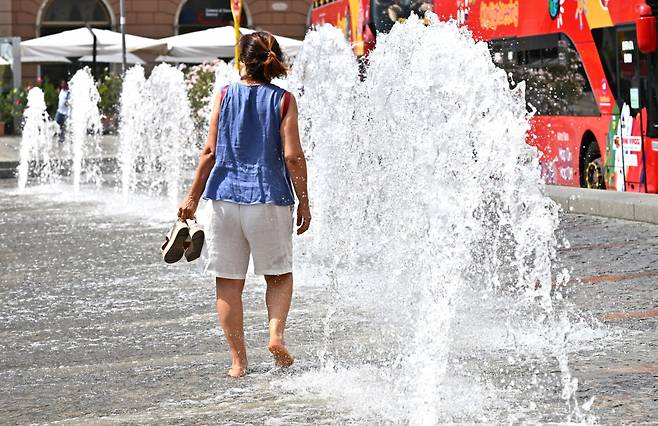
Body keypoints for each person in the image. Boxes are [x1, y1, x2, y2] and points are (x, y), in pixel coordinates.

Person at [177, 31, 311, 378]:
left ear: (243, 62)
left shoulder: (224, 95)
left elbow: (209, 152)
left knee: (228, 282)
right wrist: (304, 202)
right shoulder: (283, 100)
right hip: (268, 200)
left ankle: (238, 363)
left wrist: (192, 197)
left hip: (224, 200)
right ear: (274, 60)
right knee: (278, 277)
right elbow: (293, 156)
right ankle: (275, 336)